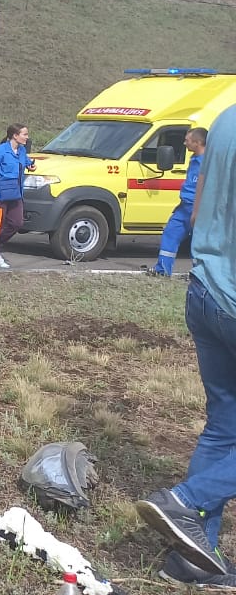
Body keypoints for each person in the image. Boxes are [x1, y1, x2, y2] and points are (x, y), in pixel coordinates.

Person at [135, 104, 236, 586]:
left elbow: (195, 211)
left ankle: (195, 560)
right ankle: (184, 501)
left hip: (204, 289)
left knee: (223, 426)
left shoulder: (225, 119)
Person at [0, 123, 35, 269]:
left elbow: (26, 161)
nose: (27, 137)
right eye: (25, 134)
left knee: (16, 223)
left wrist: (30, 165)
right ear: (15, 136)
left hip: (15, 193)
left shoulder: (21, 151)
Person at [152, 127, 207, 277]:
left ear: (198, 142)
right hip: (184, 207)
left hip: (200, 209)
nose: (184, 143)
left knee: (198, 244)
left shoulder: (207, 163)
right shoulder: (194, 159)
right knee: (170, 233)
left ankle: (199, 276)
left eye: (187, 140)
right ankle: (162, 270)